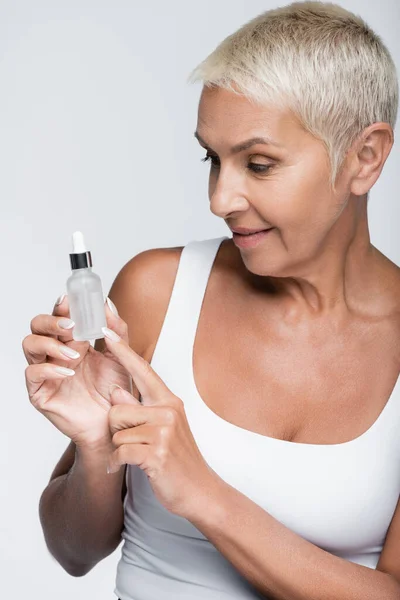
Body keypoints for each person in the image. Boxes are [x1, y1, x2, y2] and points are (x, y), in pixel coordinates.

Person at [23, 2, 400, 599]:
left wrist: (203, 494)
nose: (220, 198)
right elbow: (72, 552)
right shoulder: (156, 292)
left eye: (258, 164)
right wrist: (96, 451)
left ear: (365, 157)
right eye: (211, 159)